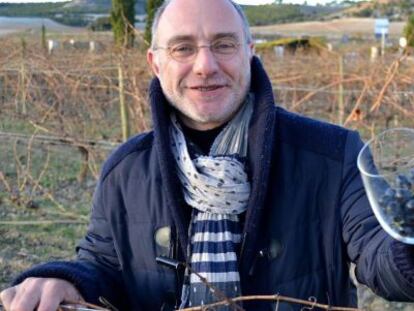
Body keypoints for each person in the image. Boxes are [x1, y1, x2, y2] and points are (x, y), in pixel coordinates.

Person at [2, 0, 414, 310]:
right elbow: (104, 266)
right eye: (183, 48)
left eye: (224, 44)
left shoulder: (334, 155)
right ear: (155, 63)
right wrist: (64, 280)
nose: (205, 65)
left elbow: (384, 263)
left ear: (249, 51)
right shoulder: (125, 171)